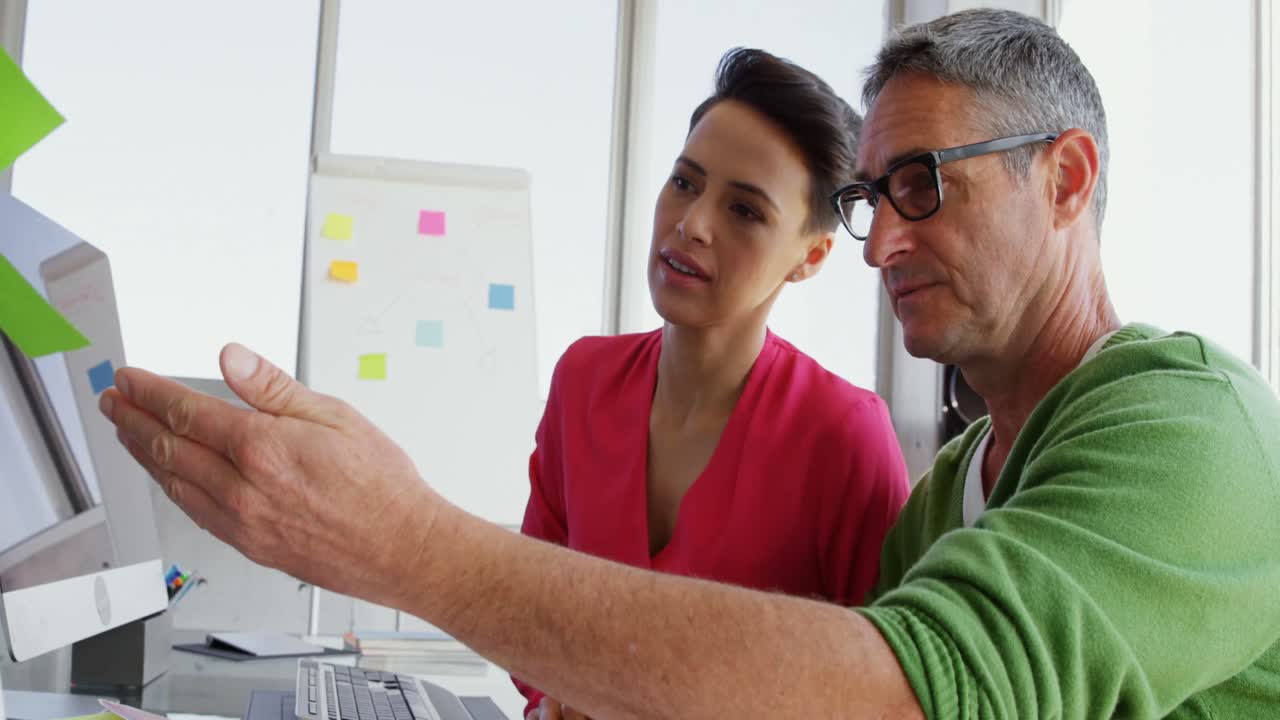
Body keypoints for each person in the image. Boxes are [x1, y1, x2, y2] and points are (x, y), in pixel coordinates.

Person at [99, 8, 1280, 718]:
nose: (888, 241)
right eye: (877, 198)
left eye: (921, 184)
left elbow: (905, 694)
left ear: (1065, 179)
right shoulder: (944, 502)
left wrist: (404, 543)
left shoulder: (1187, 427)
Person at [514, 46, 909, 719]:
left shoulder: (843, 436)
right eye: (685, 183)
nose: (691, 225)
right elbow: (527, 618)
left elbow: (885, 691)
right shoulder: (583, 381)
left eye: (745, 211)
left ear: (811, 256)